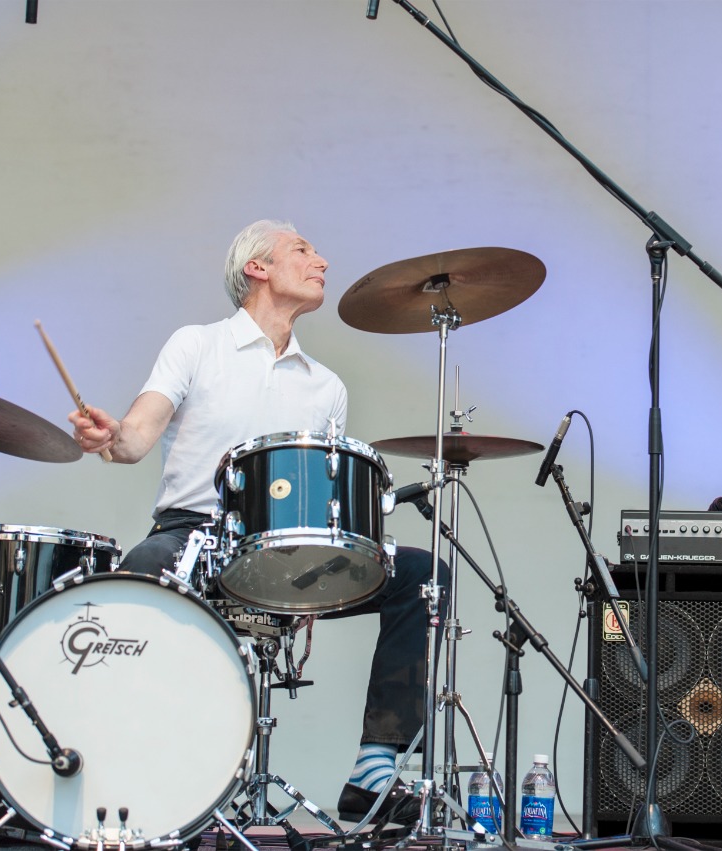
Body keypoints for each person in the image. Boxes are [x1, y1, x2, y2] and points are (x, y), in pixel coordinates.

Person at [69, 219, 446, 828]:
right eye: (303, 249)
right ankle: (122, 764)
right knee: (140, 568)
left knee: (422, 574)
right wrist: (109, 438)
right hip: (193, 535)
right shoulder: (196, 344)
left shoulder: (326, 387)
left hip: (290, 554)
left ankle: (374, 770)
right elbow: (136, 438)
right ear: (257, 269)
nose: (321, 259)